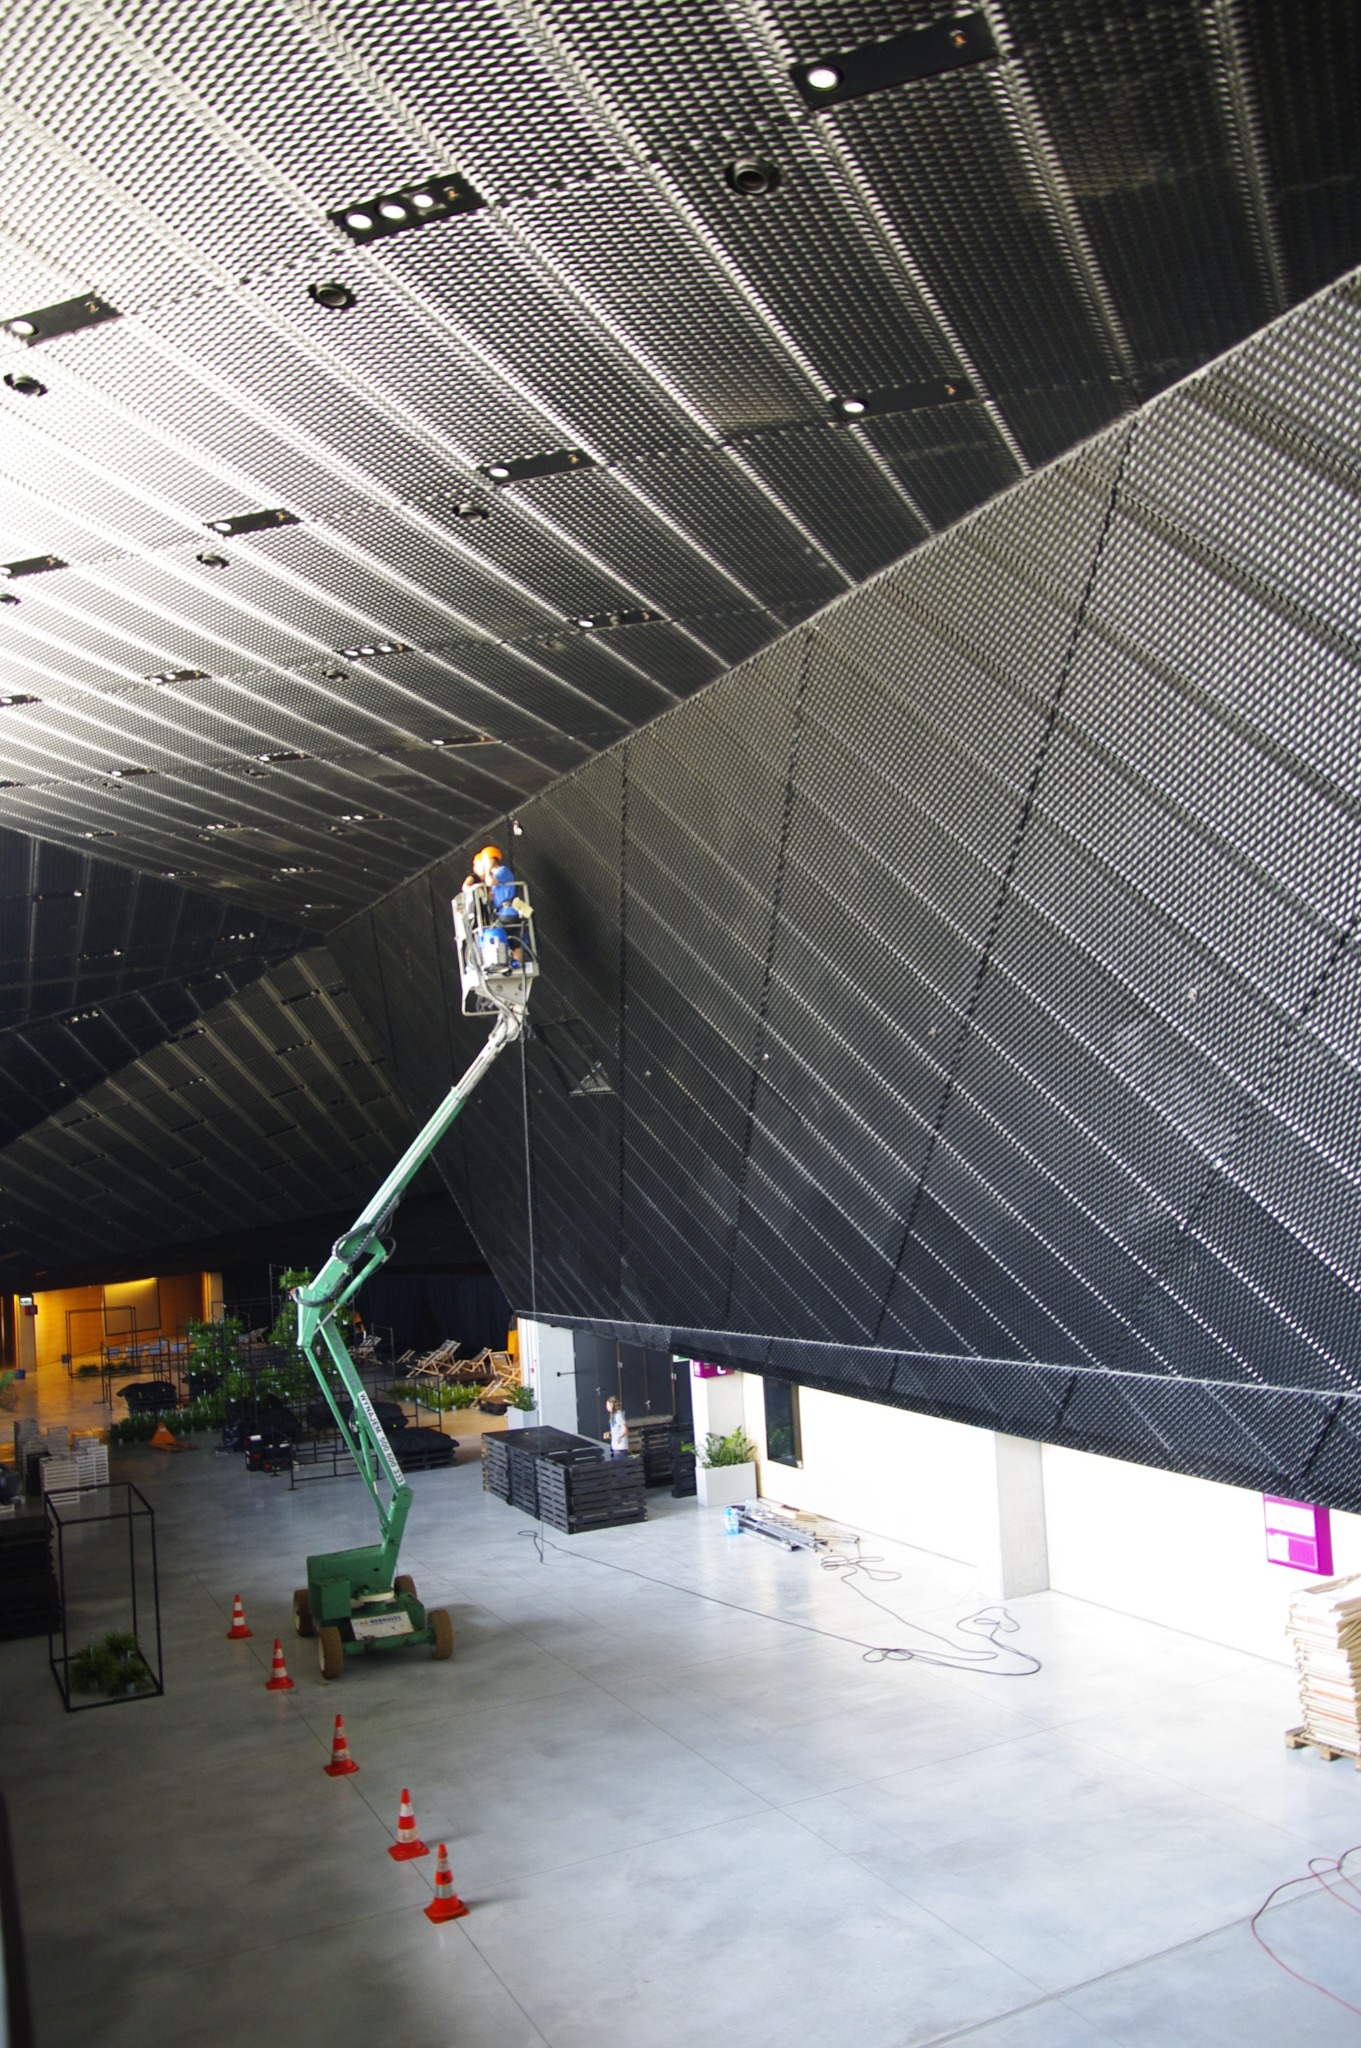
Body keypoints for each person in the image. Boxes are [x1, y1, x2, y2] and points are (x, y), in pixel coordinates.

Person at [462, 844, 527, 965]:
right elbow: (492, 893)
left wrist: (487, 870)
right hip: (505, 911)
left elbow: (490, 881)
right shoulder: (497, 875)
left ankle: (497, 962)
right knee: (513, 938)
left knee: (494, 932)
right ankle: (517, 962)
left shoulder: (502, 871)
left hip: (507, 912)